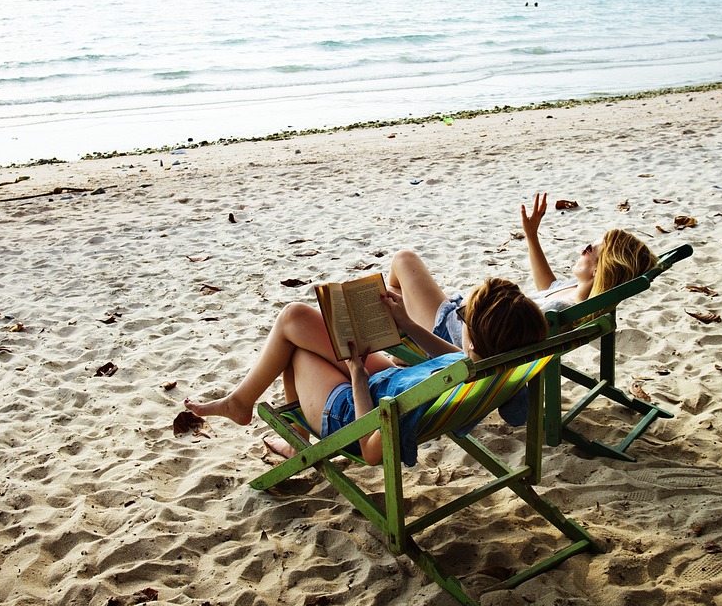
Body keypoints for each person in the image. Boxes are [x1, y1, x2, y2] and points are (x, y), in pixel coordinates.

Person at [184, 277, 547, 465]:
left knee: (294, 343)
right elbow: (456, 361)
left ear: (475, 341)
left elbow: (372, 450)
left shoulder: (451, 380)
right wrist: (406, 322)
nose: (460, 317)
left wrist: (356, 378)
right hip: (391, 386)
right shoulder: (500, 368)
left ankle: (246, 407)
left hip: (354, 412)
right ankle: (247, 406)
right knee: (297, 317)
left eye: (463, 316)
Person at [389, 192, 658, 349]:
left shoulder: (559, 311)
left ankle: (402, 341)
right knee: (394, 294)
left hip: (456, 331)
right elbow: (547, 288)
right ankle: (398, 343)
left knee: (403, 260)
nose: (581, 249)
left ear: (601, 267)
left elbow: (489, 343)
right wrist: (532, 236)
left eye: (589, 248)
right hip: (467, 319)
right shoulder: (579, 301)